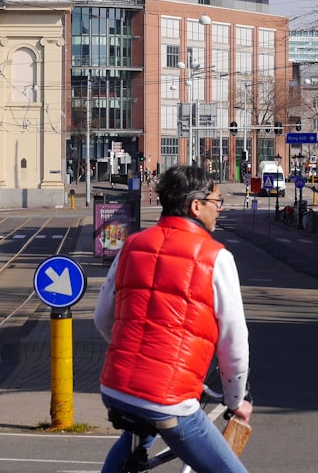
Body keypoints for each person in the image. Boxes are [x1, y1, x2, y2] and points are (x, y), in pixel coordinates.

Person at [94, 164, 251, 473]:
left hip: (114, 388)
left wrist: (132, 354)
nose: (219, 210)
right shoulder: (216, 257)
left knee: (140, 433)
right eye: (216, 202)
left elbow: (102, 317)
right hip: (168, 399)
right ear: (196, 206)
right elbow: (234, 341)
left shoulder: (131, 245)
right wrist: (235, 401)